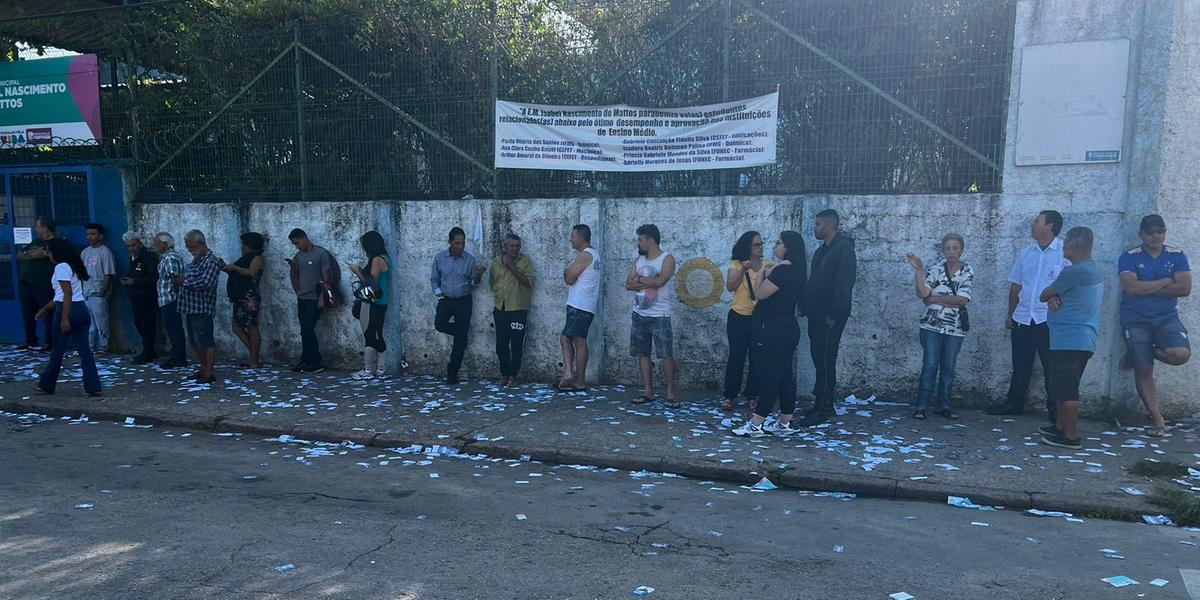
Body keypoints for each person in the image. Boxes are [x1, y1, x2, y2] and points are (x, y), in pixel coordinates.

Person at [987, 210, 1069, 421]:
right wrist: (1011, 314)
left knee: (1052, 367)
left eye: (1037, 221)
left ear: (1049, 226)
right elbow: (1016, 286)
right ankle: (1014, 404)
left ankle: (1055, 411)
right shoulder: (1026, 253)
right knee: (1020, 364)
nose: (1033, 225)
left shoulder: (1064, 252)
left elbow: (1070, 286)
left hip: (1049, 319)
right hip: (1023, 316)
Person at [1117, 214, 1192, 437]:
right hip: (1135, 318)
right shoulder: (1129, 257)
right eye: (1150, 232)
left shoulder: (1176, 255)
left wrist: (1146, 286)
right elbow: (1131, 288)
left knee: (1180, 355)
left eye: (1160, 231)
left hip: (1166, 317)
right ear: (1141, 234)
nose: (1156, 236)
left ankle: (1142, 353)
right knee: (1143, 369)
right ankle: (1158, 420)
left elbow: (1185, 289)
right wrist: (1166, 281)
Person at [733, 231, 806, 437]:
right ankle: (786, 421)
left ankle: (757, 422)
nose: (775, 246)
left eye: (779, 243)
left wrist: (764, 273)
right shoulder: (794, 271)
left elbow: (759, 294)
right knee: (783, 375)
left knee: (769, 375)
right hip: (786, 328)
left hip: (773, 330)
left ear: (789, 247)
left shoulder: (783, 272)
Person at [1038, 227, 1104, 449]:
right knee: (1060, 387)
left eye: (1065, 244)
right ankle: (1059, 426)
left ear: (1074, 247)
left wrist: (1052, 296)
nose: (1063, 247)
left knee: (1067, 390)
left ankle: (1071, 436)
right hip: (1076, 338)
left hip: (1071, 338)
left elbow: (1044, 294)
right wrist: (1055, 297)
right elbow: (1061, 295)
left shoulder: (1074, 272)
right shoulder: (1091, 269)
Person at [906, 234, 973, 420]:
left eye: (955, 248)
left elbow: (961, 299)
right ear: (943, 251)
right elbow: (922, 293)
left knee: (949, 366)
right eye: (948, 248)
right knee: (930, 364)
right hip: (931, 326)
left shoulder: (967, 271)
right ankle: (922, 406)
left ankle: (944, 405)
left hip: (955, 328)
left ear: (961, 250)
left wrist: (933, 299)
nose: (951, 252)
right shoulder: (935, 270)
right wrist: (919, 270)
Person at [799, 209, 857, 426]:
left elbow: (844, 284)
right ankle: (823, 404)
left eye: (818, 224)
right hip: (816, 314)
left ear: (830, 226)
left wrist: (834, 314)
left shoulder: (844, 249)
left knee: (825, 360)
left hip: (829, 316)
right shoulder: (821, 251)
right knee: (819, 358)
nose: (814, 228)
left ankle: (823, 408)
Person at [33, 237, 101, 396]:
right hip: (80, 310)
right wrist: (45, 309)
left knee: (57, 350)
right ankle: (93, 385)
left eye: (48, 251)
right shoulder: (74, 266)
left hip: (68, 310)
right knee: (85, 351)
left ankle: (47, 384)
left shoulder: (61, 267)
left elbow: (67, 294)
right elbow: (62, 294)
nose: (47, 254)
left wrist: (64, 318)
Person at [626, 224, 678, 407]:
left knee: (666, 354)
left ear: (650, 240)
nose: (638, 243)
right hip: (639, 314)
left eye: (640, 239)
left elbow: (661, 281)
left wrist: (639, 279)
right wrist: (648, 282)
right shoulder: (638, 261)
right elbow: (628, 285)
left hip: (660, 315)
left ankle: (671, 393)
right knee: (643, 354)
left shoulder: (667, 259)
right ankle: (648, 391)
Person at [722, 231, 772, 411]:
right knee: (737, 356)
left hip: (758, 318)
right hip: (738, 316)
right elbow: (730, 287)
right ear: (747, 247)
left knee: (757, 357)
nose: (760, 247)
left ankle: (752, 394)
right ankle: (729, 394)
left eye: (761, 244)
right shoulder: (736, 264)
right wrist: (743, 269)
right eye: (756, 245)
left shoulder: (767, 265)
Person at [431, 226, 486, 385]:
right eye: (457, 243)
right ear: (450, 242)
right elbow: (434, 279)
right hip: (446, 299)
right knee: (439, 325)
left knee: (460, 343)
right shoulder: (439, 258)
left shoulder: (469, 260)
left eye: (463, 243)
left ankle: (452, 373)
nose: (460, 247)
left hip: (463, 300)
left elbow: (474, 284)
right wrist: (439, 294)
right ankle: (461, 332)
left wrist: (479, 274)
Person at [174, 230, 221, 384]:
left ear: (200, 243)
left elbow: (207, 282)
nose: (189, 249)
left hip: (202, 308)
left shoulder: (211, 261)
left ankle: (209, 371)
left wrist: (184, 282)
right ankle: (203, 368)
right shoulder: (195, 261)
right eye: (187, 247)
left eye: (191, 246)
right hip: (190, 307)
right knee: (195, 341)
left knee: (205, 340)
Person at [489, 233, 534, 386]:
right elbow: (492, 281)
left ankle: (513, 375)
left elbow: (529, 282)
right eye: (512, 246)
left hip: (518, 308)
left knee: (516, 344)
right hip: (500, 308)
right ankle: (504, 374)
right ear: (506, 247)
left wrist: (512, 268)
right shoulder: (496, 261)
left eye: (517, 246)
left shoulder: (525, 261)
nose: (515, 249)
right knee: (501, 343)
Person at [560, 224, 600, 392]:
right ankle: (574, 376)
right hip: (586, 305)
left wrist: (567, 271)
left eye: (573, 236)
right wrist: (569, 272)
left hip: (579, 305)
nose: (571, 239)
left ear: (581, 238)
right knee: (571, 338)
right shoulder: (594, 255)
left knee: (574, 340)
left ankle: (573, 376)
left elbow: (569, 278)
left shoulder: (585, 255)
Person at [287, 228, 334, 374]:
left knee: (309, 330)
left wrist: (322, 298)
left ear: (304, 238)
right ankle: (305, 360)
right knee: (304, 330)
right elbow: (297, 275)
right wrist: (293, 267)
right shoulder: (299, 256)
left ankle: (315, 361)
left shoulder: (320, 254)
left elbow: (326, 279)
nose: (297, 246)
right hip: (303, 297)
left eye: (297, 243)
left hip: (315, 298)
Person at [350, 231, 391, 380]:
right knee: (377, 333)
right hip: (382, 302)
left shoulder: (376, 260)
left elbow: (370, 283)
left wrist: (357, 272)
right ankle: (381, 369)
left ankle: (368, 370)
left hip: (372, 302)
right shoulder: (385, 258)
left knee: (369, 334)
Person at [222, 232, 265, 369]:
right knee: (237, 328)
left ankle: (254, 360)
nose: (242, 247)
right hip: (240, 296)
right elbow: (239, 274)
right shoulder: (245, 258)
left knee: (252, 326)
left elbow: (251, 272)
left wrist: (234, 267)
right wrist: (227, 269)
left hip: (249, 297)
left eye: (244, 244)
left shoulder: (258, 258)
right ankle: (255, 356)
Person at [17, 216, 58, 351]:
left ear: (45, 227)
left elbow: (43, 255)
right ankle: (30, 341)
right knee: (27, 313)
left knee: (47, 313)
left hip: (43, 285)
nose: (36, 228)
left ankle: (49, 343)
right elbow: (19, 255)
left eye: (38, 226)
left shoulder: (56, 243)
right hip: (25, 284)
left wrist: (35, 254)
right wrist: (32, 254)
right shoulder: (36, 241)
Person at [120, 232, 160, 364]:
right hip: (135, 296)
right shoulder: (133, 258)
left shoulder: (149, 257)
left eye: (133, 245)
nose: (131, 248)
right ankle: (149, 351)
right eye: (128, 246)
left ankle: (148, 352)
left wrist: (134, 282)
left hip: (147, 297)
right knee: (139, 323)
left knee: (147, 324)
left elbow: (153, 278)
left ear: (140, 244)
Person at [154, 232, 188, 369]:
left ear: (165, 244)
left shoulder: (170, 258)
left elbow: (175, 278)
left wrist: (174, 294)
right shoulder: (166, 257)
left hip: (170, 298)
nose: (155, 245)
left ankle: (178, 357)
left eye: (157, 242)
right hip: (166, 298)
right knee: (173, 328)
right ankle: (177, 356)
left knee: (174, 329)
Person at [81, 223, 116, 354]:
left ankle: (103, 346)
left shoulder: (105, 252)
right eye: (88, 234)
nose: (89, 237)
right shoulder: (85, 252)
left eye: (93, 234)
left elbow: (109, 275)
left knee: (101, 323)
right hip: (86, 294)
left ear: (100, 236)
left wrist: (102, 293)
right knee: (90, 324)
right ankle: (90, 346)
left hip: (98, 294)